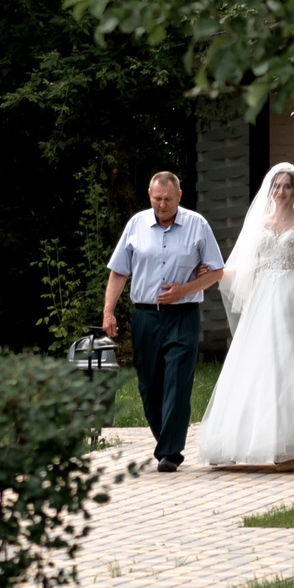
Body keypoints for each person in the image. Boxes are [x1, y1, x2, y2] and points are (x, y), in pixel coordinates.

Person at [193, 162, 294, 468]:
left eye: (287, 186)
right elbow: (247, 268)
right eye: (277, 186)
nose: (281, 191)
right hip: (263, 299)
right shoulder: (260, 225)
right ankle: (240, 442)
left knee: (290, 367)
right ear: (270, 190)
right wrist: (216, 274)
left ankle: (286, 445)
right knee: (257, 364)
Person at [102, 171, 225, 472]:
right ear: (149, 195)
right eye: (157, 198)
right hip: (145, 315)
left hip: (183, 316)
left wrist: (185, 290)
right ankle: (165, 441)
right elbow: (119, 271)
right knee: (149, 384)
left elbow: (217, 271)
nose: (162, 204)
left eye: (168, 199)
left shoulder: (198, 225)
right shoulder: (136, 225)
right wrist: (108, 311)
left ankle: (170, 452)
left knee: (177, 383)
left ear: (179, 196)